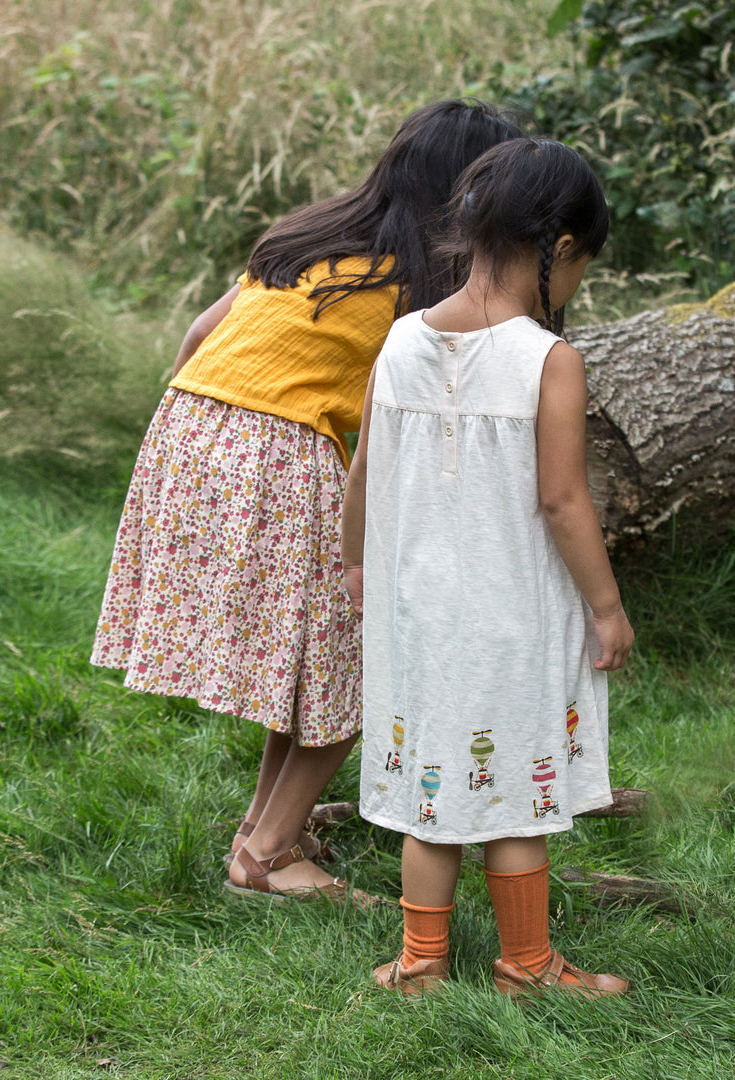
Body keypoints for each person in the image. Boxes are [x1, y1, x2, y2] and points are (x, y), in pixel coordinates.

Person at [90, 100, 523, 904]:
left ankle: (265, 823)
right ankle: (268, 856)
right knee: (359, 662)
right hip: (278, 451)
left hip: (189, 423)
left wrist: (201, 440)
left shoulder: (307, 238)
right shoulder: (424, 289)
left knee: (309, 660)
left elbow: (196, 335)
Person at [341, 138, 635, 993]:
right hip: (511, 618)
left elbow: (363, 470)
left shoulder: (398, 341)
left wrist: (357, 561)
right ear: (565, 247)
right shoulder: (549, 359)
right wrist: (606, 606)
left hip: (417, 613)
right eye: (583, 266)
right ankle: (527, 963)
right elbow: (562, 501)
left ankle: (420, 965)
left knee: (430, 795)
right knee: (515, 792)